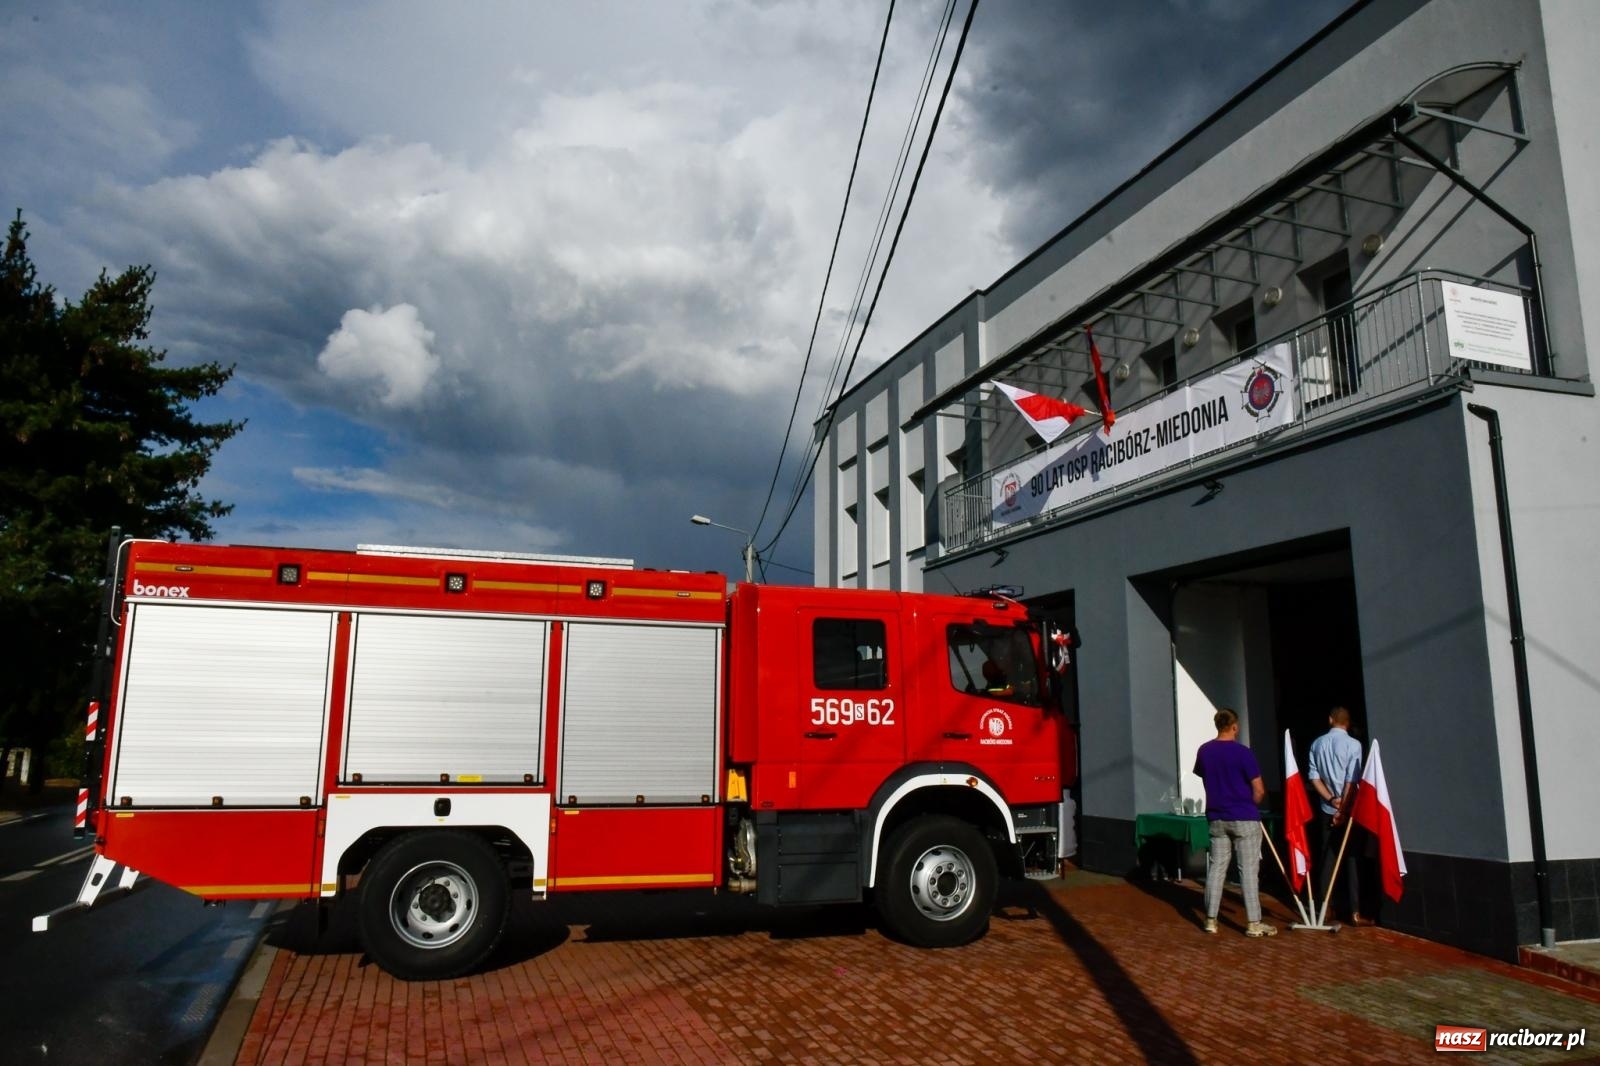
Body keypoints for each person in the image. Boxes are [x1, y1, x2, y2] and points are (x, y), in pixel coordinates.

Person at [1193, 708, 1276, 937]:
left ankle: (1210, 919)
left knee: (1217, 867)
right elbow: (1258, 788)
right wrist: (1252, 802)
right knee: (1248, 870)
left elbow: (1203, 775)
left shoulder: (1205, 751)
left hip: (1216, 816)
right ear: (1234, 726)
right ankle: (1253, 922)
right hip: (1243, 815)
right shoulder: (1243, 753)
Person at [1308, 706, 1370, 925]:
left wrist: (1330, 800)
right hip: (1348, 810)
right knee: (1352, 858)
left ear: (1330, 719)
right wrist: (1343, 808)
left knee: (1328, 858)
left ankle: (1326, 907)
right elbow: (1351, 781)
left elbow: (1314, 778)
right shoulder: (1354, 745)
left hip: (1327, 807)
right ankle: (1355, 911)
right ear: (1348, 723)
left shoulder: (1317, 744)